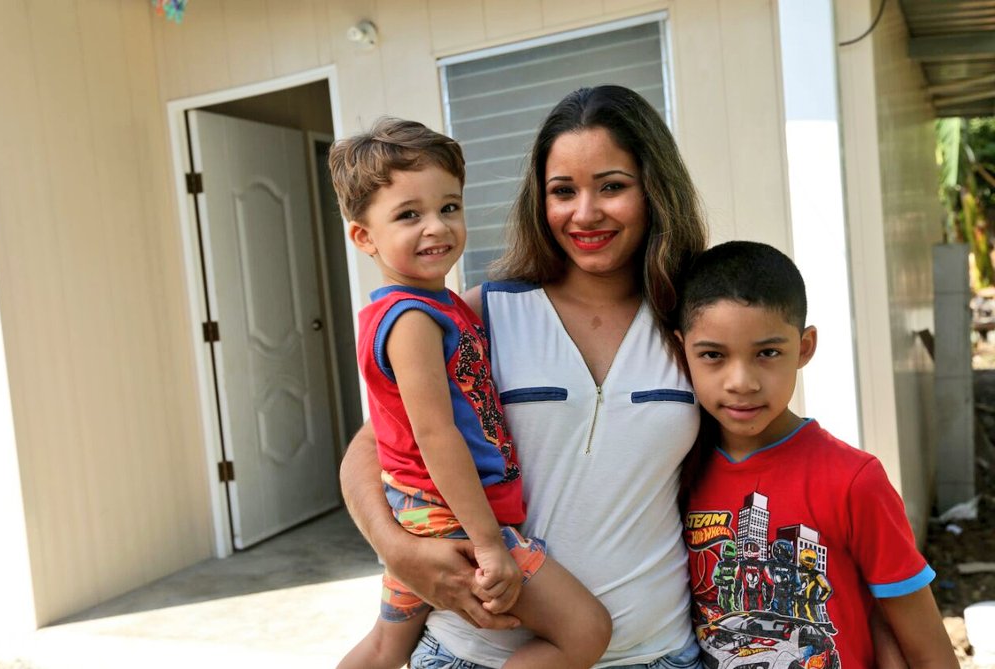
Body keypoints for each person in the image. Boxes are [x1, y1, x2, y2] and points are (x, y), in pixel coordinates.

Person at [340, 85, 709, 668]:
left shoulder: (695, 323)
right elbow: (376, 447)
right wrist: (399, 551)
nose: (584, 213)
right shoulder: (480, 313)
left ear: (654, 190)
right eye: (562, 191)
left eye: (612, 186)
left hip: (657, 653)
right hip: (476, 656)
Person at [329, 117, 611, 669]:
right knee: (585, 630)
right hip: (449, 520)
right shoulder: (412, 319)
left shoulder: (443, 306)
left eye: (449, 207)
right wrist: (487, 543)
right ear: (364, 237)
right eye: (409, 215)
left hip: (424, 512)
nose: (436, 227)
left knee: (388, 645)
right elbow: (435, 435)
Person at [675, 240, 958, 667]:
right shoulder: (676, 472)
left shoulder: (853, 481)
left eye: (767, 353)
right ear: (681, 351)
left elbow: (929, 651)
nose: (742, 382)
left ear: (805, 347)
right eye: (713, 355)